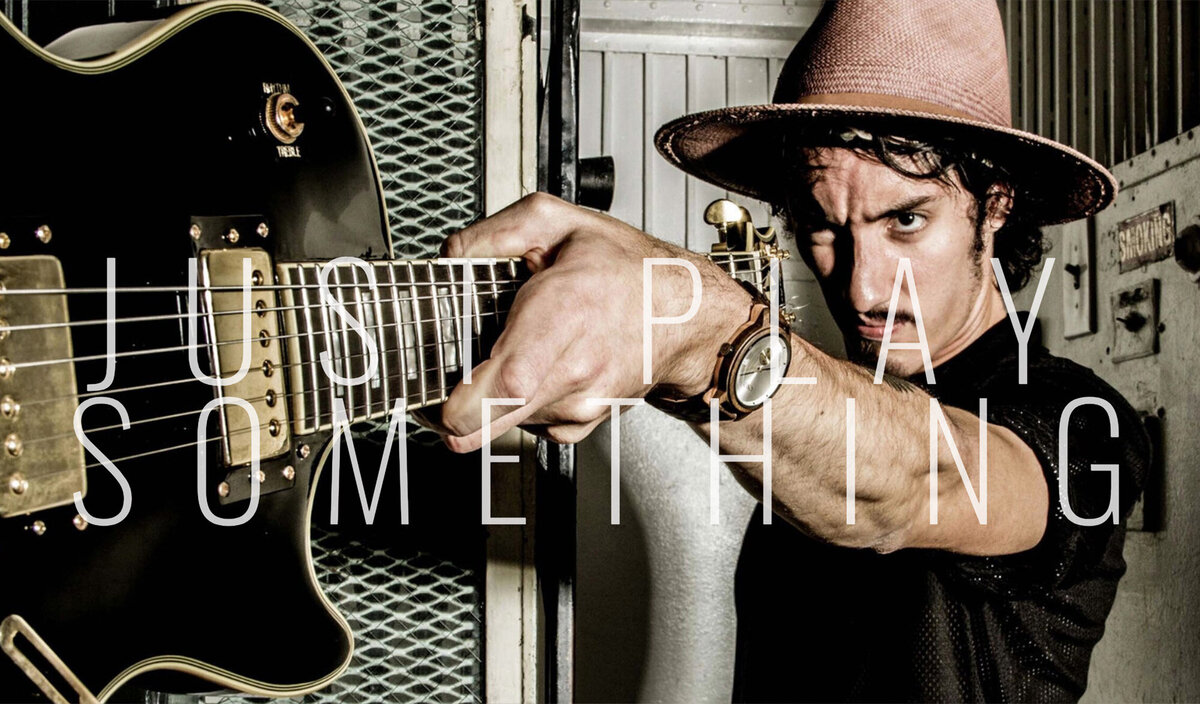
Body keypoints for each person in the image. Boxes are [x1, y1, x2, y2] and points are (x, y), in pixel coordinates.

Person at [428, 0, 1148, 700]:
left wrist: (701, 329)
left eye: (905, 219)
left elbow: (922, 482)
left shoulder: (1084, 424)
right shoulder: (814, 419)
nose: (861, 287)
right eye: (822, 226)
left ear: (995, 204)